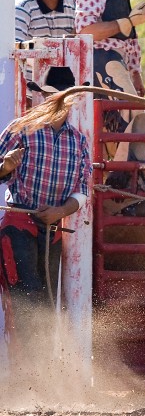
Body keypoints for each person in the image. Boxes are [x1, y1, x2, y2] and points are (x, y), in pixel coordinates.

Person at [0, 67, 91, 348]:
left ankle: (42, 372)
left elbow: (83, 189)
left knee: (46, 301)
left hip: (52, 228)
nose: (58, 103)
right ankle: (28, 372)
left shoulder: (78, 141)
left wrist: (61, 211)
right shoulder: (20, 130)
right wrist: (6, 166)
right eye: (52, 96)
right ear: (42, 97)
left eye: (64, 98)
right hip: (19, 223)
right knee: (28, 295)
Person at [73, 0, 145, 150]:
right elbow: (86, 31)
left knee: (132, 125)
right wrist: (125, 22)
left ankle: (124, 180)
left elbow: (129, 37)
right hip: (100, 63)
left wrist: (136, 74)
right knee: (129, 126)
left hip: (115, 63)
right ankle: (124, 181)